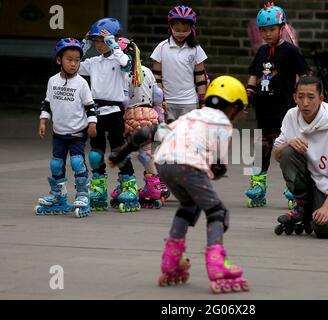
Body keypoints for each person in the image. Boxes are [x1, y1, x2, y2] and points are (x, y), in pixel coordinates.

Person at [107, 76, 250, 294]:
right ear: (233, 107)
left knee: (188, 206)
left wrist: (119, 155)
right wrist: (218, 171)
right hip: (189, 165)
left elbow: (147, 133)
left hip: (163, 163)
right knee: (217, 211)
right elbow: (218, 165)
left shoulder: (190, 116)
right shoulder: (222, 123)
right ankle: (217, 263)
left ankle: (172, 259)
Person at [244, 2, 311, 208]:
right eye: (263, 30)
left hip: (286, 111)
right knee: (261, 148)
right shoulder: (262, 51)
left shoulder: (291, 51)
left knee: (288, 151)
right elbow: (255, 74)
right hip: (264, 109)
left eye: (271, 29)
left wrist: (304, 99)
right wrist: (248, 95)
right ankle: (258, 186)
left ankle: (293, 188)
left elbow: (306, 75)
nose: (267, 34)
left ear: (282, 28)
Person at [273, 75, 328, 238]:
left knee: (323, 230)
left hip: (326, 185)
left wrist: (327, 207)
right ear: (295, 97)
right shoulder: (291, 116)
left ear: (321, 98)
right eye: (301, 97)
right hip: (305, 181)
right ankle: (302, 207)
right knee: (287, 151)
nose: (305, 103)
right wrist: (289, 143)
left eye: (311, 97)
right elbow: (277, 154)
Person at [79, 18, 139, 213]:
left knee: (118, 150)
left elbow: (127, 64)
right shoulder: (93, 62)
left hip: (114, 112)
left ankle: (129, 186)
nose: (98, 45)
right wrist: (83, 45)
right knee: (96, 153)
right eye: (95, 41)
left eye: (102, 41)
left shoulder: (118, 59)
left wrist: (114, 45)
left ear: (112, 40)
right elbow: (74, 66)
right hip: (96, 112)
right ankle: (98, 188)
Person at [35, 38, 97, 218]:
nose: (73, 63)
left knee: (77, 162)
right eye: (69, 59)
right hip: (59, 132)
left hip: (77, 132)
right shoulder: (52, 81)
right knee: (56, 164)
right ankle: (58, 195)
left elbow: (90, 106)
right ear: (58, 60)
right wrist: (43, 121)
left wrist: (92, 124)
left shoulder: (82, 83)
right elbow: (47, 103)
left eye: (77, 60)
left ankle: (83, 194)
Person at [115, 37, 168, 209]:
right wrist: (160, 116)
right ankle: (153, 188)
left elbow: (123, 99)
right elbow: (158, 94)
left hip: (131, 115)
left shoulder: (123, 74)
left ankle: (126, 185)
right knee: (146, 153)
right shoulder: (147, 71)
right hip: (149, 113)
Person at [150, 5, 208, 123]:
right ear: (170, 26)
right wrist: (160, 100)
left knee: (187, 137)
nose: (181, 33)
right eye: (177, 30)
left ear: (191, 28)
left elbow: (200, 77)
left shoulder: (196, 49)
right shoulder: (162, 47)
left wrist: (202, 101)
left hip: (190, 102)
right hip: (168, 103)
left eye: (185, 30)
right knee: (168, 137)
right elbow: (156, 76)